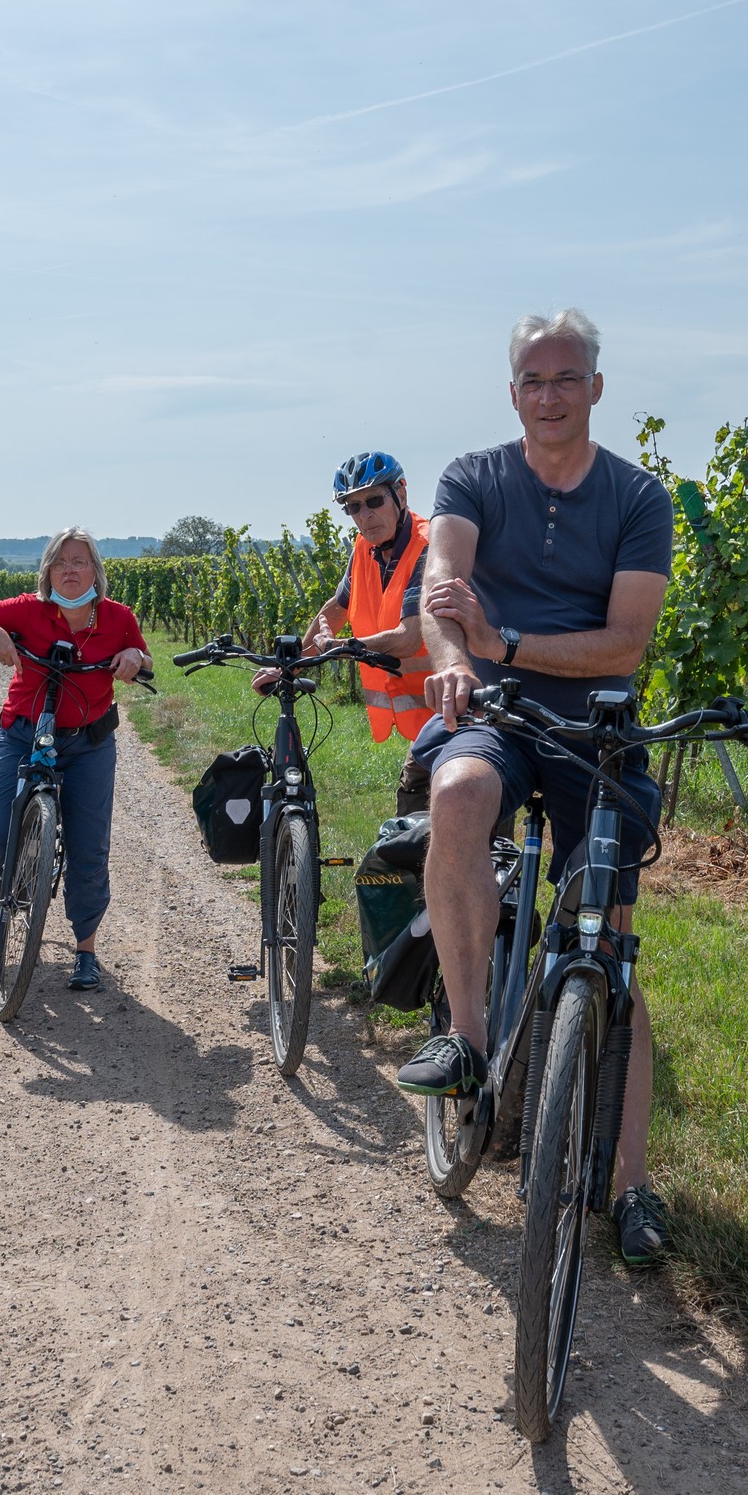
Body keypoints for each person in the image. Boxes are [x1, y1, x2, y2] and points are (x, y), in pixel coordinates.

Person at [396, 310, 678, 1265]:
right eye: (532, 380)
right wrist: (454, 657)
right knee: (459, 792)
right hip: (498, 708)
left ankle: (633, 1184)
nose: (548, 394)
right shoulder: (472, 478)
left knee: (615, 952)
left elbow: (625, 642)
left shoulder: (639, 497)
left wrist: (504, 641)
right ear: (511, 391)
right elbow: (444, 588)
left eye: (565, 378)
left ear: (596, 387)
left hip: (596, 726)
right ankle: (469, 1036)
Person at [0, 530, 152, 991]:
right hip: (23, 731)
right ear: (47, 572)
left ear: (96, 570)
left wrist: (134, 655)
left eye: (80, 562)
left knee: (89, 848)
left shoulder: (117, 618)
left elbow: (143, 654)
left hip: (88, 744)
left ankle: (86, 951)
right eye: (61, 563)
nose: (71, 570)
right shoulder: (28, 609)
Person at [256, 452, 434, 815]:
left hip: (465, 707)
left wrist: (345, 648)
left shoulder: (428, 547)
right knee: (413, 826)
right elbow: (337, 608)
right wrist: (292, 665)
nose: (364, 515)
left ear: (401, 493)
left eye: (373, 501)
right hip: (428, 717)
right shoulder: (364, 551)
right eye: (353, 508)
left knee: (476, 834)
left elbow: (409, 637)